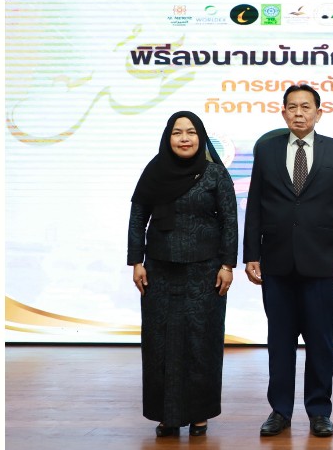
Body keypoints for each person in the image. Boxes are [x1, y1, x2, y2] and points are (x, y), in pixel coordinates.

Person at [243, 84, 333, 438]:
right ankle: (280, 411)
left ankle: (319, 411)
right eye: (292, 107)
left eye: (305, 107)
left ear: (318, 113)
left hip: (321, 261)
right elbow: (255, 203)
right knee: (279, 342)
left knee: (320, 342)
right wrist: (251, 254)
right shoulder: (266, 150)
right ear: (283, 113)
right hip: (276, 261)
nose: (298, 113)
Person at [128, 111, 238, 437]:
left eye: (191, 132)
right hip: (159, 271)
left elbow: (229, 221)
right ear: (168, 137)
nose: (185, 138)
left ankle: (199, 414)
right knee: (161, 344)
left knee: (200, 343)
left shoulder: (215, 173)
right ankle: (168, 416)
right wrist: (136, 261)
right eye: (178, 132)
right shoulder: (154, 171)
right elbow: (138, 216)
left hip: (205, 273)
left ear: (201, 137)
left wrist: (227, 265)